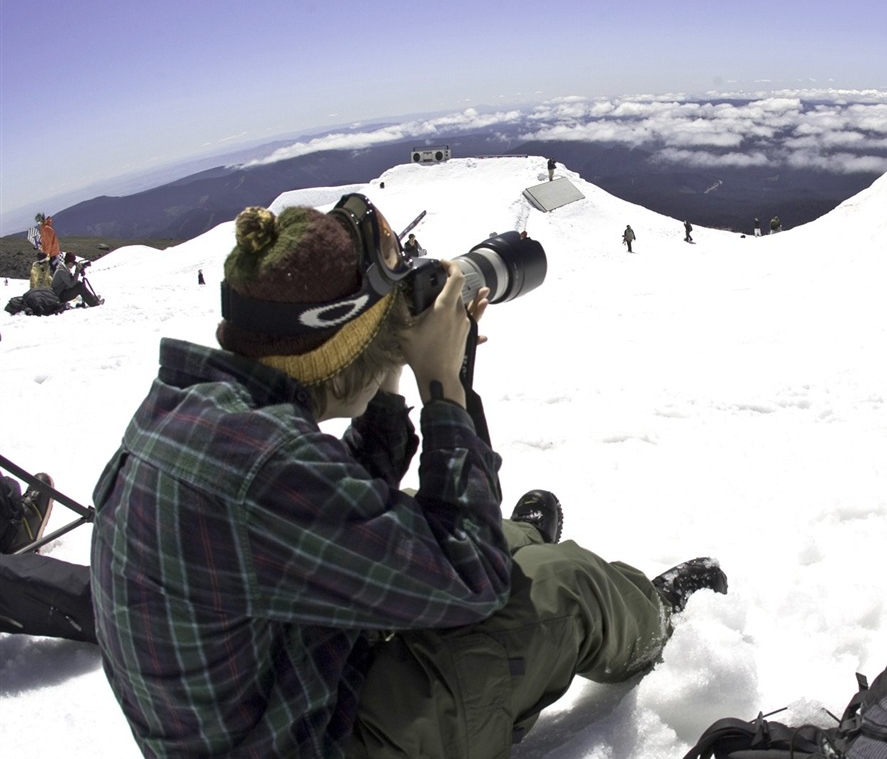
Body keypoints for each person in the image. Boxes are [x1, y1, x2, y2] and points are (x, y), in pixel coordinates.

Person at [89, 198, 725, 757]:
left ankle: (512, 538)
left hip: (280, 693)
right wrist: (444, 387)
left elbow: (331, 505)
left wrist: (386, 374)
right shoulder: (261, 467)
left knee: (468, 532)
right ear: (341, 349)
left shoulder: (194, 415)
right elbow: (470, 581)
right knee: (560, 585)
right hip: (322, 738)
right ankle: (652, 618)